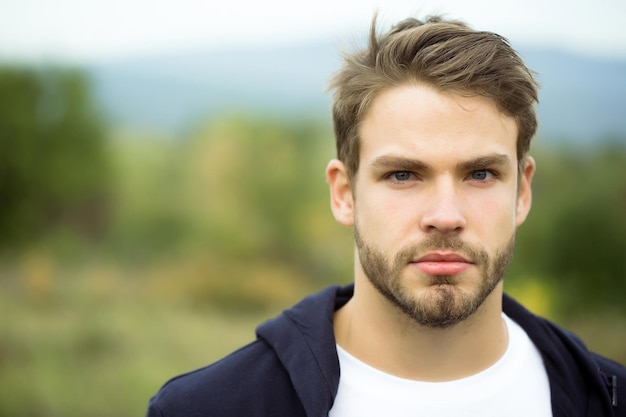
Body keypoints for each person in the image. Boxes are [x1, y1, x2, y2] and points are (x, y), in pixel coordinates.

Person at [145, 14, 626, 417]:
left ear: (522, 191)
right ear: (344, 193)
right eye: (402, 175)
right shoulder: (209, 408)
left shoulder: (608, 398)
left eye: (479, 173)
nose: (444, 215)